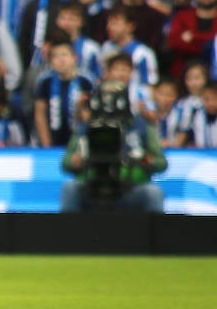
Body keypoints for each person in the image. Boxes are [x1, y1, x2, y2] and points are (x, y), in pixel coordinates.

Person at [60, 80, 167, 212]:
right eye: (105, 97)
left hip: (130, 187)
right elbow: (65, 163)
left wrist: (148, 161)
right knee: (70, 188)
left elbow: (162, 163)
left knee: (153, 193)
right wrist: (74, 161)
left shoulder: (140, 126)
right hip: (92, 188)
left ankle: (154, 232)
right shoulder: (86, 127)